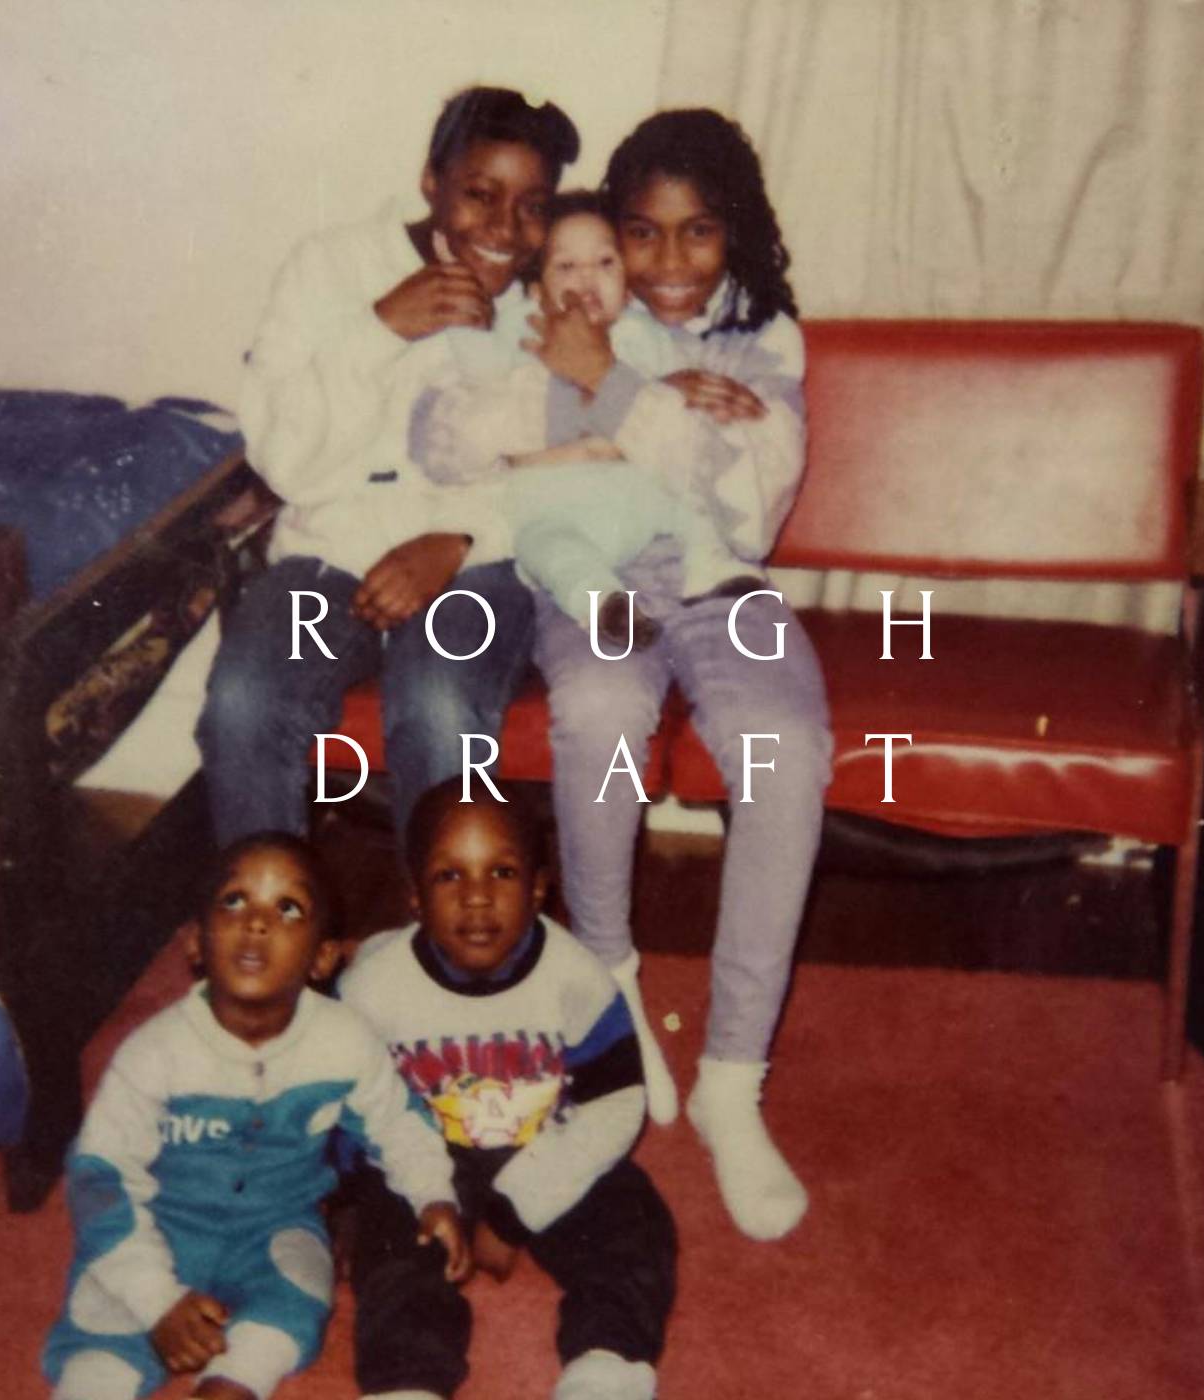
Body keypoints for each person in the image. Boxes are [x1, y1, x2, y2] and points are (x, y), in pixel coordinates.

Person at [512, 110, 832, 1241]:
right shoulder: (568, 298)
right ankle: (608, 998)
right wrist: (666, 415)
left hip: (718, 580)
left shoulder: (766, 336)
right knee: (598, 705)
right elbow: (513, 439)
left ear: (735, 231)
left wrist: (615, 390)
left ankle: (730, 1081)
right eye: (640, 233)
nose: (666, 262)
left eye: (698, 231)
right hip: (594, 576)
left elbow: (745, 508)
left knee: (784, 749)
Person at [196, 87, 579, 845]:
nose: (505, 229)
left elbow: (572, 469)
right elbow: (284, 464)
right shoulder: (329, 267)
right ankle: (266, 914)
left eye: (532, 206)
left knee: (439, 704)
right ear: (432, 181)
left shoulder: (552, 297)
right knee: (245, 701)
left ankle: (438, 917)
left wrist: (459, 538)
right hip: (327, 559)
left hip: (480, 564)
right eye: (480, 194)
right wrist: (379, 330)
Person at [42, 834, 467, 1400]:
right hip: (159, 1225)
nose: (258, 922)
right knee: (101, 1335)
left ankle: (233, 1382)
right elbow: (101, 1177)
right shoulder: (154, 1052)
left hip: (274, 1228)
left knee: (295, 1297)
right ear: (195, 941)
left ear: (323, 957)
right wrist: (157, 1300)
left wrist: (433, 1194)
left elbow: (399, 1123)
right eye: (235, 901)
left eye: (288, 908)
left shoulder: (344, 1041)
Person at [337, 779, 676, 1400]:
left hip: (546, 1147)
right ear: (414, 895)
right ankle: (407, 1382)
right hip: (426, 1160)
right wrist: (347, 1200)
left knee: (633, 1219)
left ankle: (604, 1364)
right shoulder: (372, 990)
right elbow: (344, 1105)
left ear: (540, 889)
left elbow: (617, 1105)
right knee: (391, 1252)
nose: (477, 897)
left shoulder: (575, 977)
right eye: (449, 876)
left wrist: (515, 1211)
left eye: (502, 872)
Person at [409, 189, 759, 649]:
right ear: (537, 291)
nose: (587, 277)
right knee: (548, 549)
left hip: (639, 501)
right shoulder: (523, 329)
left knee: (693, 505)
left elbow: (671, 410)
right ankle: (603, 606)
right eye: (567, 266)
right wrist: (455, 279)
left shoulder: (644, 333)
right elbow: (476, 361)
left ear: (628, 286)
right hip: (552, 505)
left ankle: (709, 566)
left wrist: (671, 389)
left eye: (605, 263)